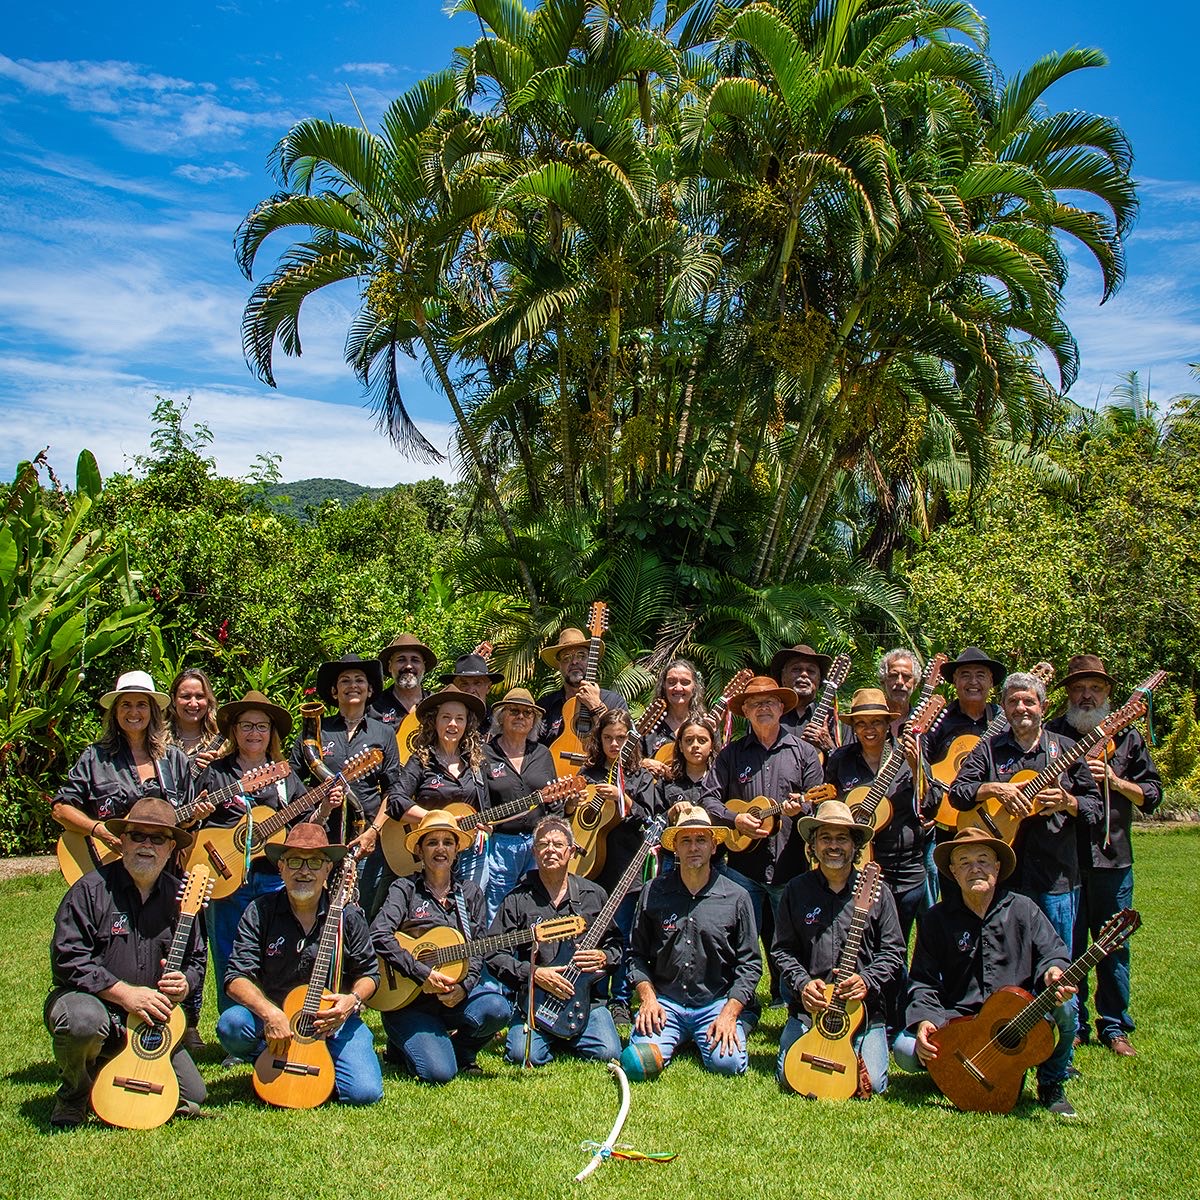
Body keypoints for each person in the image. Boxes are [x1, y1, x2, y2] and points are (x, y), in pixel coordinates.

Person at [949, 671, 1102, 1108]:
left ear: (1043, 704)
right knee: (998, 969)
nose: (1021, 709)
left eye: (1028, 702)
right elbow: (959, 793)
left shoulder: (1066, 751)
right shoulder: (989, 749)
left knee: (1057, 975)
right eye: (1013, 702)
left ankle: (1054, 1078)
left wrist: (1068, 802)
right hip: (1003, 882)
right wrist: (992, 787)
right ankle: (998, 1052)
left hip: (1055, 877)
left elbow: (1093, 807)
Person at [45, 797, 207, 1128]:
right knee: (81, 1022)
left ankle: (108, 1070)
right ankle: (74, 1096)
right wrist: (125, 994)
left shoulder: (182, 898)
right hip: (96, 1004)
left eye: (158, 838)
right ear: (123, 841)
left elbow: (196, 959)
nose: (146, 845)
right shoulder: (90, 891)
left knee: (195, 1095)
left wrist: (186, 981)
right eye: (137, 836)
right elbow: (68, 958)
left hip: (148, 1026)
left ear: (171, 847)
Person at [893, 827, 1078, 1116]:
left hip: (1016, 1023)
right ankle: (957, 1070)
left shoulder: (1023, 909)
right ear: (953, 872)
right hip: (962, 1019)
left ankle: (1051, 1082)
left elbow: (1052, 952)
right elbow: (923, 981)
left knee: (1066, 1006)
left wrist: (1053, 970)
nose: (974, 869)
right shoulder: (936, 920)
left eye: (982, 860)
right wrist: (925, 1021)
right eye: (964, 862)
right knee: (905, 1051)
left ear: (997, 867)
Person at [217, 824, 383, 1106]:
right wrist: (270, 1014)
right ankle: (274, 1057)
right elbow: (236, 977)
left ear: (328, 870)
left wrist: (351, 1001)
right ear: (281, 867)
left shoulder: (348, 915)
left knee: (363, 1093)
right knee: (233, 1024)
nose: (304, 871)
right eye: (294, 861)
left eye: (314, 862)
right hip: (278, 1016)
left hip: (333, 1019)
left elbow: (369, 973)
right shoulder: (260, 911)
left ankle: (323, 1063)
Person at [1046, 655, 1162, 1055]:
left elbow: (1152, 795)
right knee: (1070, 943)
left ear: (1108, 692)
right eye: (1079, 688)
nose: (1086, 695)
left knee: (1112, 943)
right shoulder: (1054, 735)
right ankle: (1074, 1023)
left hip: (1113, 858)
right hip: (1065, 858)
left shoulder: (1129, 739)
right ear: (1068, 694)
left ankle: (1114, 1025)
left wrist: (1116, 781)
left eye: (1094, 688)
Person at [196, 690, 316, 1015]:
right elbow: (194, 820)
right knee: (227, 952)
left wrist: (326, 808)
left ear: (271, 733)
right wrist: (198, 813)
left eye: (262, 726)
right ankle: (236, 1027)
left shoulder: (283, 775)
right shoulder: (216, 772)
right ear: (234, 731)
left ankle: (280, 1017)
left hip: (273, 880)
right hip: (226, 873)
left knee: (277, 951)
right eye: (247, 725)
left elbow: (305, 823)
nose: (254, 733)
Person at [771, 800, 904, 1093]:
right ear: (813, 845)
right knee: (788, 1076)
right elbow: (782, 950)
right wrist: (804, 985)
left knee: (877, 1084)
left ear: (854, 846)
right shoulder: (796, 890)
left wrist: (866, 980)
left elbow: (894, 952)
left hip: (863, 1010)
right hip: (811, 1010)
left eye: (842, 838)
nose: (834, 845)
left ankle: (859, 1046)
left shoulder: (877, 892)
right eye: (826, 838)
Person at [370, 811, 511, 1082]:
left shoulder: (469, 893)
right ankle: (404, 1044)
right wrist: (421, 973)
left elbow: (478, 948)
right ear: (420, 851)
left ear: (457, 850)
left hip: (451, 999)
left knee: (497, 1009)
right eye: (432, 842)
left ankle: (462, 1053)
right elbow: (379, 934)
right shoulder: (405, 889)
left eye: (448, 842)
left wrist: (464, 987)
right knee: (438, 1074)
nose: (440, 849)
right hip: (405, 1001)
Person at [698, 676, 823, 962]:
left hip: (791, 865)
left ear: (781, 707)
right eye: (755, 703)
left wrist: (801, 809)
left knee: (793, 940)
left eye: (769, 702)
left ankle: (792, 998)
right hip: (743, 868)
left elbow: (820, 805)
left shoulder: (804, 753)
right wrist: (735, 819)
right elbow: (708, 799)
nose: (762, 708)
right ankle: (744, 1001)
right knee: (739, 942)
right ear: (746, 712)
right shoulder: (731, 754)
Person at [627, 807, 760, 1075]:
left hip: (714, 1002)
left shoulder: (737, 897)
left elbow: (751, 964)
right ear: (675, 847)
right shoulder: (654, 892)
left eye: (701, 839)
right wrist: (648, 999)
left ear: (713, 846)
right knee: (639, 1063)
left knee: (728, 1065)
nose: (693, 847)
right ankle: (680, 1033)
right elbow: (635, 954)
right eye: (685, 840)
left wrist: (729, 1012)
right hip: (666, 1001)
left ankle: (738, 1021)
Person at [487, 816, 623, 1067]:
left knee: (609, 1052)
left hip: (586, 1001)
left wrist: (604, 957)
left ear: (571, 851)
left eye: (558, 844)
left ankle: (565, 1035)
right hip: (535, 1000)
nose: (550, 850)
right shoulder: (517, 899)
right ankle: (554, 1037)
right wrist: (534, 974)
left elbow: (617, 945)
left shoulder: (594, 894)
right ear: (534, 851)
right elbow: (494, 954)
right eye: (543, 844)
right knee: (522, 1056)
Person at [290, 653, 402, 917]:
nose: (353, 685)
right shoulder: (315, 732)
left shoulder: (383, 733)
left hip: (365, 842)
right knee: (314, 913)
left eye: (359, 680)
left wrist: (373, 833)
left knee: (359, 915)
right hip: (319, 838)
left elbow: (392, 790)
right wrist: (319, 810)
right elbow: (293, 784)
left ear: (370, 689)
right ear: (334, 690)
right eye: (345, 680)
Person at [575, 708, 665, 1022]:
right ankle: (593, 992)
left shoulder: (640, 775)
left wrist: (622, 798)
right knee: (593, 934)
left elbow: (651, 815)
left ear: (631, 740)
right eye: (609, 737)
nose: (615, 744)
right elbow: (572, 815)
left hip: (628, 868)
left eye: (621, 738)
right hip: (591, 867)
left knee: (625, 936)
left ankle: (621, 998)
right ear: (599, 739)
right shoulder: (589, 774)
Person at [51, 670, 202, 849]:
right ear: (115, 711)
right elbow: (60, 809)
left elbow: (183, 825)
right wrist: (98, 830)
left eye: (141, 705)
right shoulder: (95, 757)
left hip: (160, 865)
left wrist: (193, 816)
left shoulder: (175, 759)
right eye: (126, 705)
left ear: (152, 711)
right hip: (106, 867)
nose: (134, 712)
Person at [389, 686, 489, 891]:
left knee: (473, 908)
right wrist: (436, 820)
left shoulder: (476, 763)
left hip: (470, 854)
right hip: (431, 852)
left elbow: (485, 811)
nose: (453, 724)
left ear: (466, 724)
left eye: (459, 718)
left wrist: (487, 828)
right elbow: (395, 800)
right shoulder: (421, 760)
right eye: (446, 717)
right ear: (435, 721)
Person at [482, 688, 560, 922]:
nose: (521, 717)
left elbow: (555, 801)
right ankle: (495, 957)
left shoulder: (543, 754)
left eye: (528, 713)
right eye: (514, 711)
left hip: (538, 843)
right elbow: (481, 799)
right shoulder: (485, 754)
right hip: (500, 845)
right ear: (501, 717)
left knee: (537, 907)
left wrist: (558, 831)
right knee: (496, 906)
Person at [536, 627, 625, 749]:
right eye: (566, 658)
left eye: (581, 656)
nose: (574, 662)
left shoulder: (614, 702)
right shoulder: (544, 706)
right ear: (559, 665)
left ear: (591, 660)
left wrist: (596, 706)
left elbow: (626, 743)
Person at [769, 645, 839, 752]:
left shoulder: (835, 720)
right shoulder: (767, 716)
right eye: (796, 669)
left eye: (811, 671)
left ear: (819, 680)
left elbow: (849, 766)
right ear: (783, 677)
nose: (804, 674)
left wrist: (829, 747)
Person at [640, 659, 706, 771]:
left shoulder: (704, 724)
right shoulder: (648, 724)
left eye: (685, 682)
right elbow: (629, 761)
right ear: (663, 686)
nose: (678, 688)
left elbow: (717, 763)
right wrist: (643, 763)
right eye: (671, 682)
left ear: (694, 687)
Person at [371, 634, 438, 727]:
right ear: (390, 666)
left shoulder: (436, 704)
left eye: (415, 660)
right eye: (401, 660)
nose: (408, 666)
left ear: (424, 667)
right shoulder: (374, 706)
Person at [436, 652, 503, 738]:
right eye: (464, 684)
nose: (471, 690)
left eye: (477, 683)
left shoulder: (500, 723)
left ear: (489, 687)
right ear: (455, 687)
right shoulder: (441, 721)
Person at [165, 667, 223, 764]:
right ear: (173, 699)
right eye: (185, 696)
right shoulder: (157, 739)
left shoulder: (223, 743)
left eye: (200, 696)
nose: (193, 704)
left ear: (208, 700)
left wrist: (217, 769)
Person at [664, 719, 718, 815]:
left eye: (702, 740)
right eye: (689, 740)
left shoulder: (721, 782)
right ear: (680, 746)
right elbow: (651, 822)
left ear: (711, 746)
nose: (695, 745)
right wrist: (670, 813)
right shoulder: (667, 782)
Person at [878, 649, 923, 736]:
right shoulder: (869, 722)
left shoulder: (923, 723)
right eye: (893, 676)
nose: (900, 682)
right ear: (883, 681)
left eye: (906, 676)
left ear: (915, 683)